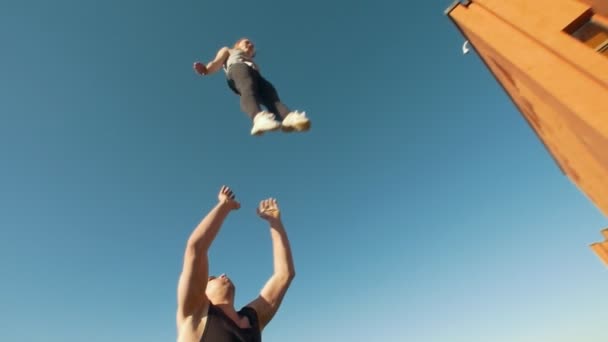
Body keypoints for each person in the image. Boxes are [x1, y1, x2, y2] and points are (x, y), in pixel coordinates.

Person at [176, 185, 296, 342]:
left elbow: (285, 275)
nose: (223, 275)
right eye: (213, 278)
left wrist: (275, 222)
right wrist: (224, 206)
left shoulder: (254, 318)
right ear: (203, 291)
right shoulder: (195, 314)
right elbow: (196, 249)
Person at [193, 38, 311, 136]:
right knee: (248, 87)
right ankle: (258, 118)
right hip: (237, 68)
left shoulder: (252, 62)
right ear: (237, 44)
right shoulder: (229, 50)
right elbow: (216, 62)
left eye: (252, 45)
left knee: (270, 93)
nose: (250, 45)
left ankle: (288, 117)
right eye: (247, 42)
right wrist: (206, 69)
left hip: (254, 73)